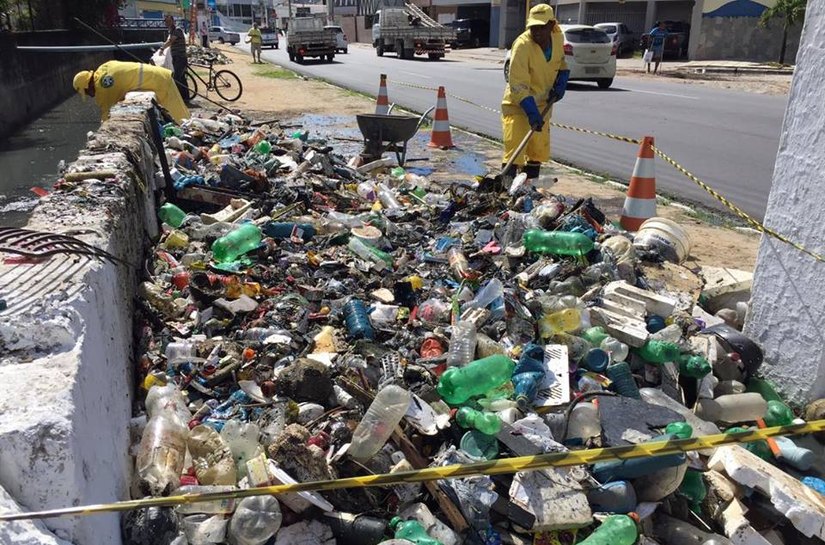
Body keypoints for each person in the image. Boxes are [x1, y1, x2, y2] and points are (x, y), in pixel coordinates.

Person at [500, 4, 569, 185]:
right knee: (515, 151)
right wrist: (531, 112)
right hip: (518, 105)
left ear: (551, 25)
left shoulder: (558, 37)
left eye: (541, 27)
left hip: (543, 105)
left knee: (537, 151)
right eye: (533, 27)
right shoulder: (522, 46)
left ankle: (527, 191)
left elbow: (561, 63)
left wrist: (561, 81)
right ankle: (504, 192)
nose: (536, 32)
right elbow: (518, 84)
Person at [72, 61, 189, 123]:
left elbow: (106, 113)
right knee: (181, 114)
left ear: (89, 85)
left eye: (87, 92)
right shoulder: (103, 68)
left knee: (181, 119)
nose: (90, 95)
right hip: (158, 77)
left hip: (159, 82)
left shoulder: (104, 86)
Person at [162, 14, 189, 101]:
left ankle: (180, 98)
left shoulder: (177, 30)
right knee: (181, 78)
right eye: (166, 22)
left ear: (173, 21)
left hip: (180, 57)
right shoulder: (171, 31)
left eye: (169, 21)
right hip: (176, 57)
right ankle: (185, 97)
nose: (167, 23)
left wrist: (162, 48)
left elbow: (171, 41)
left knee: (176, 77)